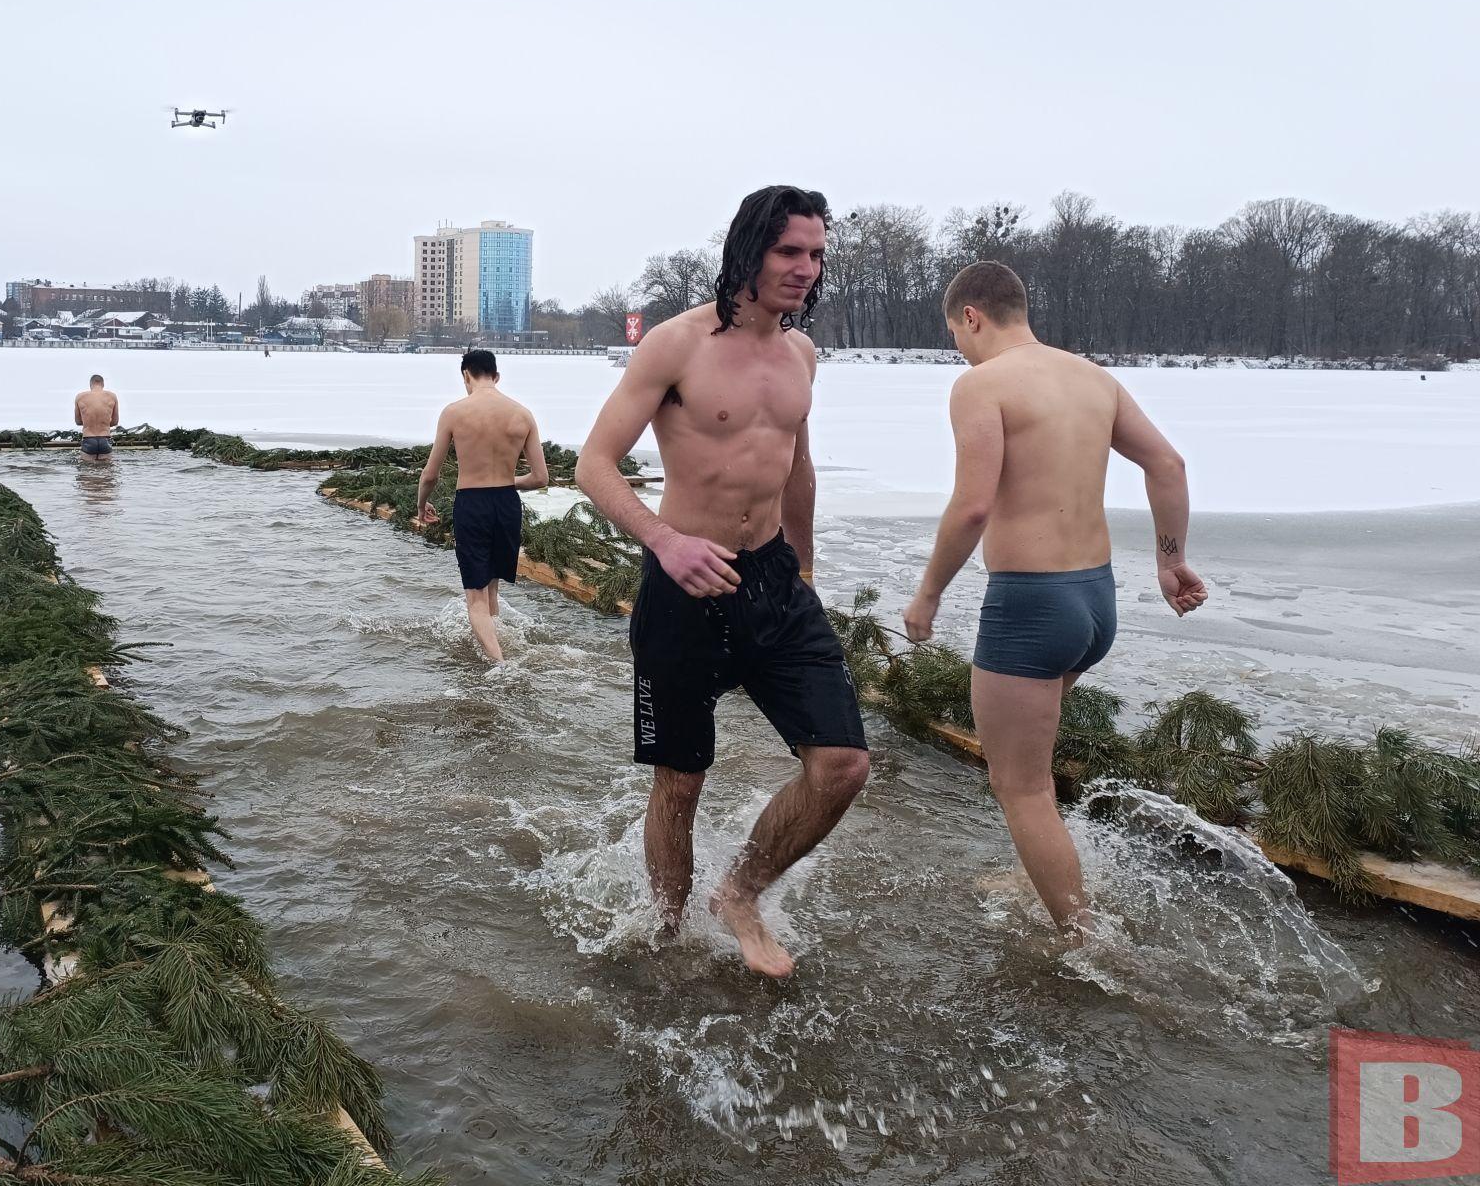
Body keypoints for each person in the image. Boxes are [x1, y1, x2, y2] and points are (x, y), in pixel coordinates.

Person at [577, 186, 869, 979]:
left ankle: (739, 893)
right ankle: (666, 934)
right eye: (789, 252)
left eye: (815, 255)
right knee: (681, 782)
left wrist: (802, 569)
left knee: (842, 764)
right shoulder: (677, 346)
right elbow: (593, 465)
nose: (806, 269)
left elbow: (796, 466)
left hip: (773, 579)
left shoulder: (802, 354)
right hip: (683, 583)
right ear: (748, 251)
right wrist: (663, 541)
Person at [901, 261, 1206, 937]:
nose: (959, 344)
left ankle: (1084, 943)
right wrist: (1172, 561)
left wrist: (928, 594)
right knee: (1030, 768)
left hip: (1030, 608)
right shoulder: (1093, 379)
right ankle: (1047, 876)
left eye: (956, 331)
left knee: (1021, 787)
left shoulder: (982, 386)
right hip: (1096, 603)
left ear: (971, 316)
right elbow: (1169, 465)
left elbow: (974, 506)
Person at [415, 350, 550, 663]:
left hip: (472, 504)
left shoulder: (454, 412)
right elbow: (541, 478)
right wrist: (506, 480)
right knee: (491, 590)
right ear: (496, 376)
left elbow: (430, 474)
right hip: (506, 505)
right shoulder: (522, 414)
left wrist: (421, 506)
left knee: (475, 598)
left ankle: (500, 666)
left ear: (466, 375)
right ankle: (493, 650)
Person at [73, 374, 118, 458]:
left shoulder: (80, 397)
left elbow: (78, 422)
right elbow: (115, 422)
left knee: (87, 469)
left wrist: (89, 422)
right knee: (107, 469)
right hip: (105, 439)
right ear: (103, 384)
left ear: (90, 385)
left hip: (88, 439)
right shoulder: (112, 397)